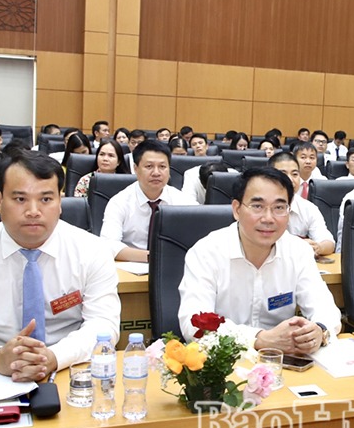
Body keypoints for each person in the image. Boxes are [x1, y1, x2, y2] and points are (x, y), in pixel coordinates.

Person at [0, 150, 120, 380]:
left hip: (68, 371)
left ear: (60, 202)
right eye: (20, 199)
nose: (33, 212)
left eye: (46, 199)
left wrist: (53, 357)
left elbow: (103, 325)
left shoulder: (92, 251)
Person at [177, 168, 341, 351]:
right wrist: (259, 339)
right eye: (257, 206)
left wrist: (319, 330)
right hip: (224, 360)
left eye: (279, 208)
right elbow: (195, 324)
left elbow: (325, 309)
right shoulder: (206, 252)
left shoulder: (298, 250)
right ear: (237, 209)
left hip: (282, 358)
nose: (268, 218)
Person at [101, 141, 198, 262]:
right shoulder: (120, 202)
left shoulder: (183, 201)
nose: (156, 173)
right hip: (131, 265)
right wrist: (154, 257)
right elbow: (108, 245)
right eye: (149, 166)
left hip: (173, 265)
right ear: (136, 169)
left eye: (162, 167)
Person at [268, 152, 335, 256]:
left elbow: (328, 242)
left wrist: (318, 247)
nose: (290, 179)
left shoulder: (308, 208)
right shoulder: (258, 208)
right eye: (283, 174)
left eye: (295, 174)